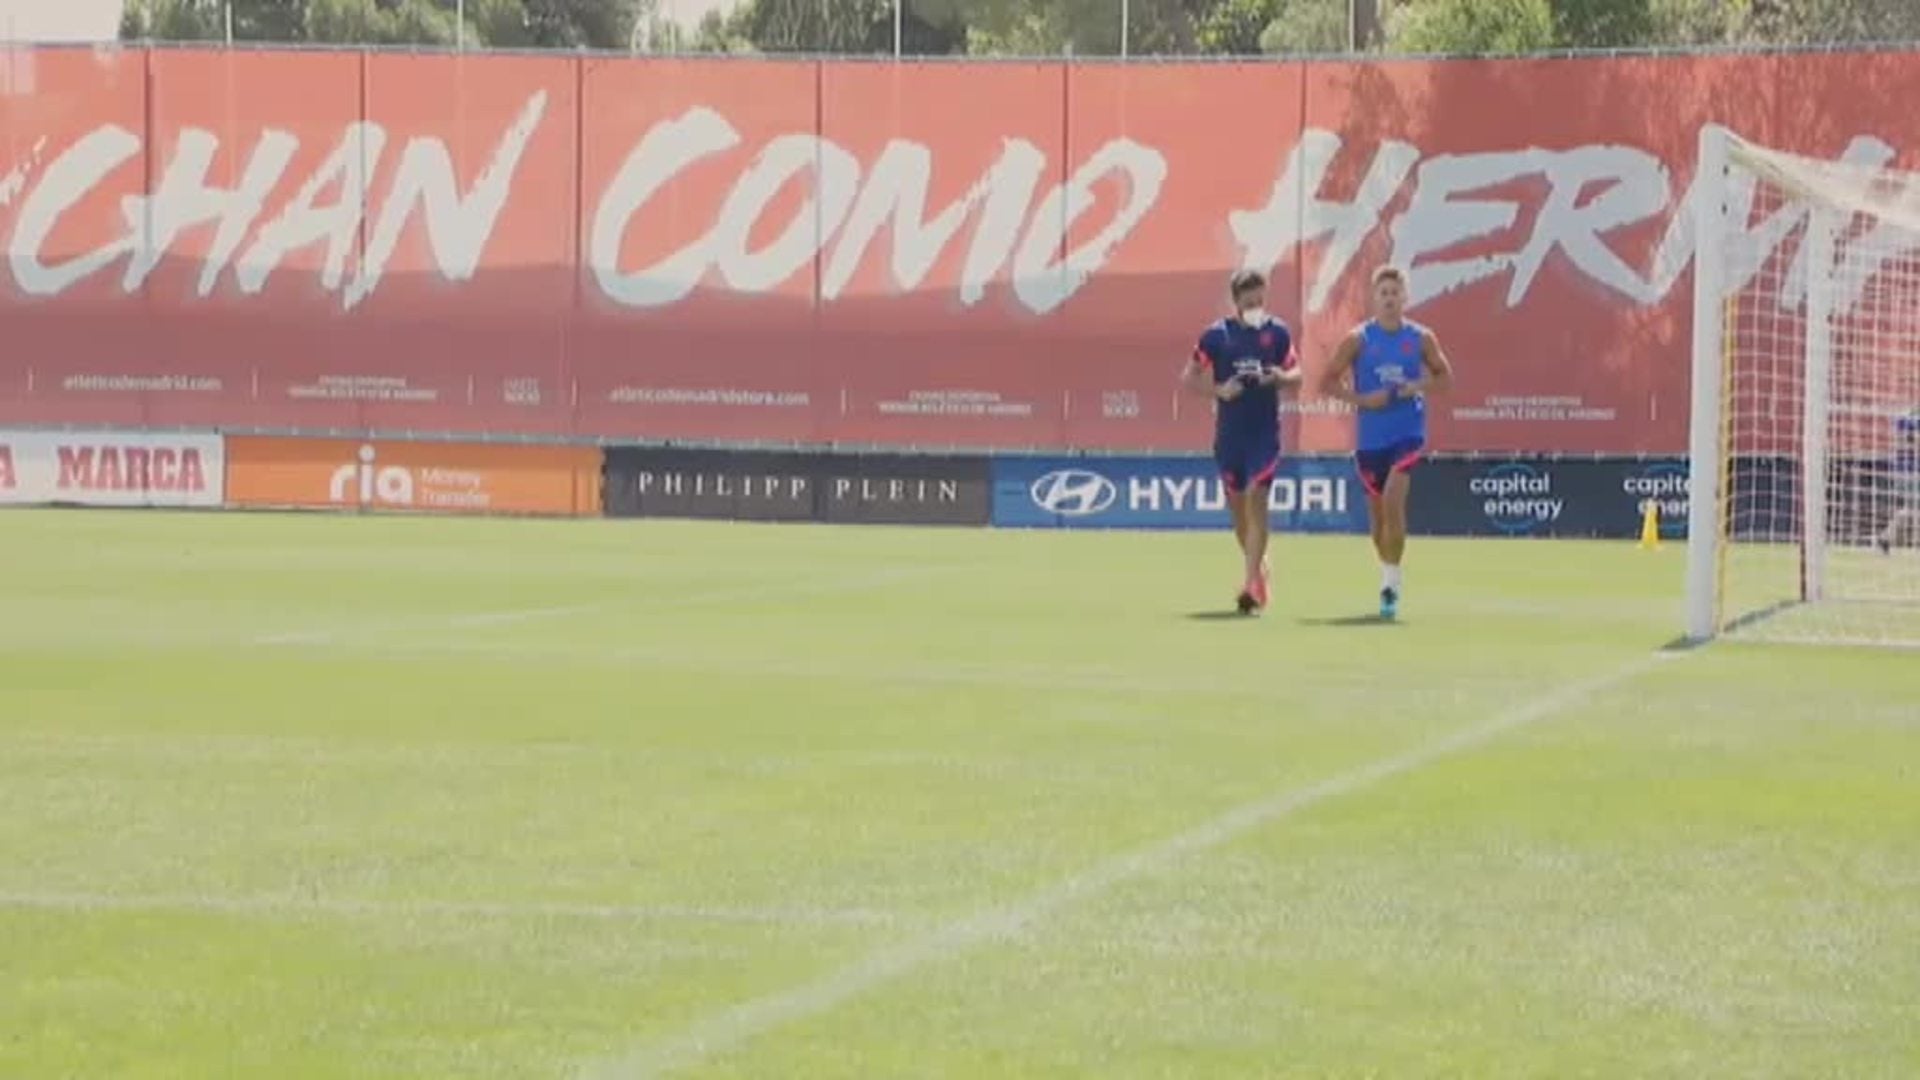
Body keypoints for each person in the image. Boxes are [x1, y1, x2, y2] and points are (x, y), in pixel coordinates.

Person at [1319, 265, 1454, 620]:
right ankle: (1387, 570)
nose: (1390, 299)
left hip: (1407, 432)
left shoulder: (1420, 337)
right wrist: (1363, 400)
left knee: (1394, 500)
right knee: (1379, 524)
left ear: (1405, 297)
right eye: (1384, 293)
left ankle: (1391, 584)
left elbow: (1445, 378)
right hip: (1371, 440)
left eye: (1395, 293)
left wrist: (1417, 386)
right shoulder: (1358, 339)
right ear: (1373, 299)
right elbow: (1326, 382)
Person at [1182, 268, 1301, 614]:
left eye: (1260, 301)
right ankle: (1259, 569)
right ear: (1236, 302)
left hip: (1264, 434)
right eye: (1249, 303)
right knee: (1239, 515)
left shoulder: (1277, 333)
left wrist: (1280, 376)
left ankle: (1249, 584)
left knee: (1257, 501)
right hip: (1230, 436)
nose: (1255, 307)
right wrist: (1220, 390)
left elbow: (1297, 374)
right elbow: (1190, 377)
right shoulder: (1217, 336)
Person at [1875, 409, 1920, 554]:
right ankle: (1886, 538)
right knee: (1912, 509)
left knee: (1911, 510)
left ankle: (1886, 538)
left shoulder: (1905, 418)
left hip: (1904, 472)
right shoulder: (1911, 421)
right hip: (1911, 473)